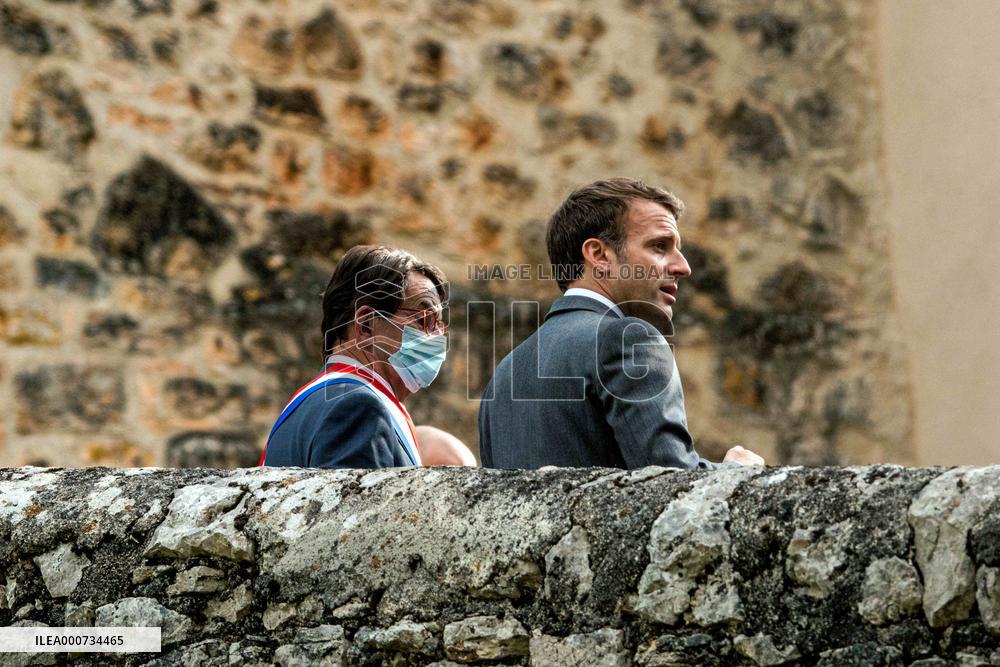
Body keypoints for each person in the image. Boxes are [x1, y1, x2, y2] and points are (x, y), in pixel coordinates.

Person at [479, 178, 765, 469]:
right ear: (599, 255)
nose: (683, 267)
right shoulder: (630, 340)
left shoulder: (505, 372)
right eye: (659, 246)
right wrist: (736, 472)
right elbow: (671, 483)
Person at [260, 245, 451, 468]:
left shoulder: (307, 406)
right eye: (424, 320)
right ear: (367, 325)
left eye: (439, 326)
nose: (437, 337)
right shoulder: (358, 407)